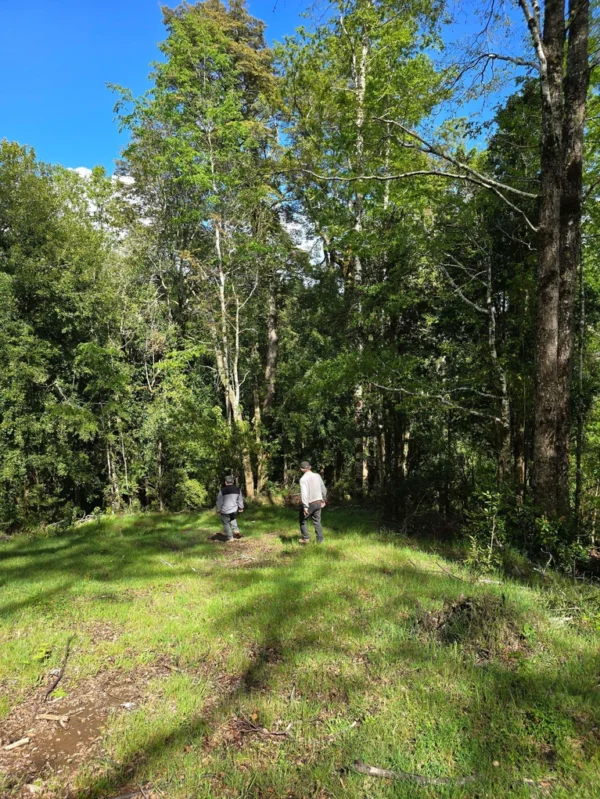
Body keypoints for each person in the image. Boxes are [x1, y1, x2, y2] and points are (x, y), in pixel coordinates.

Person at [298, 461, 327, 544]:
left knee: (302, 519)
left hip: (310, 503)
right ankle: (320, 541)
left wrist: (305, 506)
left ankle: (305, 538)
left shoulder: (303, 479)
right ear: (310, 467)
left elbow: (304, 493)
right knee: (317, 522)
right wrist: (323, 500)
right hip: (318, 502)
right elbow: (323, 489)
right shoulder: (317, 476)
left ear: (301, 469)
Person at [216, 475, 244, 542]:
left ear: (226, 482)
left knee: (225, 523)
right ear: (233, 482)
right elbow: (240, 499)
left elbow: (219, 501)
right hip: (234, 509)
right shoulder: (238, 489)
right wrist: (241, 507)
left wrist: (218, 510)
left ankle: (230, 537)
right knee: (233, 518)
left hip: (225, 511)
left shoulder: (222, 491)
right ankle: (236, 531)